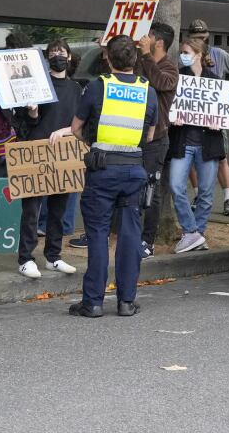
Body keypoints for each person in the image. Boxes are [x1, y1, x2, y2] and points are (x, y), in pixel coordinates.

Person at [52, 35, 156, 318]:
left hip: (103, 171)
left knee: (98, 235)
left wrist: (95, 142)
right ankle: (126, 302)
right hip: (134, 171)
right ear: (135, 58)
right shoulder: (147, 90)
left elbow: (75, 128)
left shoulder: (99, 87)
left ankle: (93, 302)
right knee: (130, 237)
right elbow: (150, 135)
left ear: (108, 58)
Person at [15, 39, 82, 279]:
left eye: (61, 52)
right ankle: (25, 258)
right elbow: (23, 124)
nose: (57, 56)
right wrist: (32, 113)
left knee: (58, 210)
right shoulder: (37, 86)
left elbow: (82, 122)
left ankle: (53, 256)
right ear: (46, 58)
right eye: (53, 53)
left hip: (64, 153)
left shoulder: (76, 89)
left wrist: (66, 131)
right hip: (36, 151)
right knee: (31, 210)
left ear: (69, 56)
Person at [169, 37, 225, 253]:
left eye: (186, 52)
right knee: (176, 186)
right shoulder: (178, 78)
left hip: (208, 144)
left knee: (206, 193)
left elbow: (226, 112)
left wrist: (218, 122)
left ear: (199, 55)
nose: (183, 55)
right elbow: (169, 106)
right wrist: (173, 117)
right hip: (183, 142)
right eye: (182, 52)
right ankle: (191, 232)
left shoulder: (215, 81)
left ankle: (198, 233)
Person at [187, 19, 229, 215]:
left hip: (215, 112)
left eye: (204, 37)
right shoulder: (186, 55)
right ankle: (198, 195)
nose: (201, 41)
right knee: (191, 155)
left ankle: (228, 199)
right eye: (197, 37)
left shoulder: (218, 54)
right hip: (192, 111)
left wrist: (227, 89)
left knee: (221, 156)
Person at [131, 22, 178, 259]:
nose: (144, 39)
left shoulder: (170, 69)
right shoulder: (141, 62)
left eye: (148, 36)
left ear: (158, 42)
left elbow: (160, 82)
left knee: (151, 189)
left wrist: (146, 55)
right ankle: (130, 234)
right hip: (133, 136)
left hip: (156, 140)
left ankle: (147, 240)